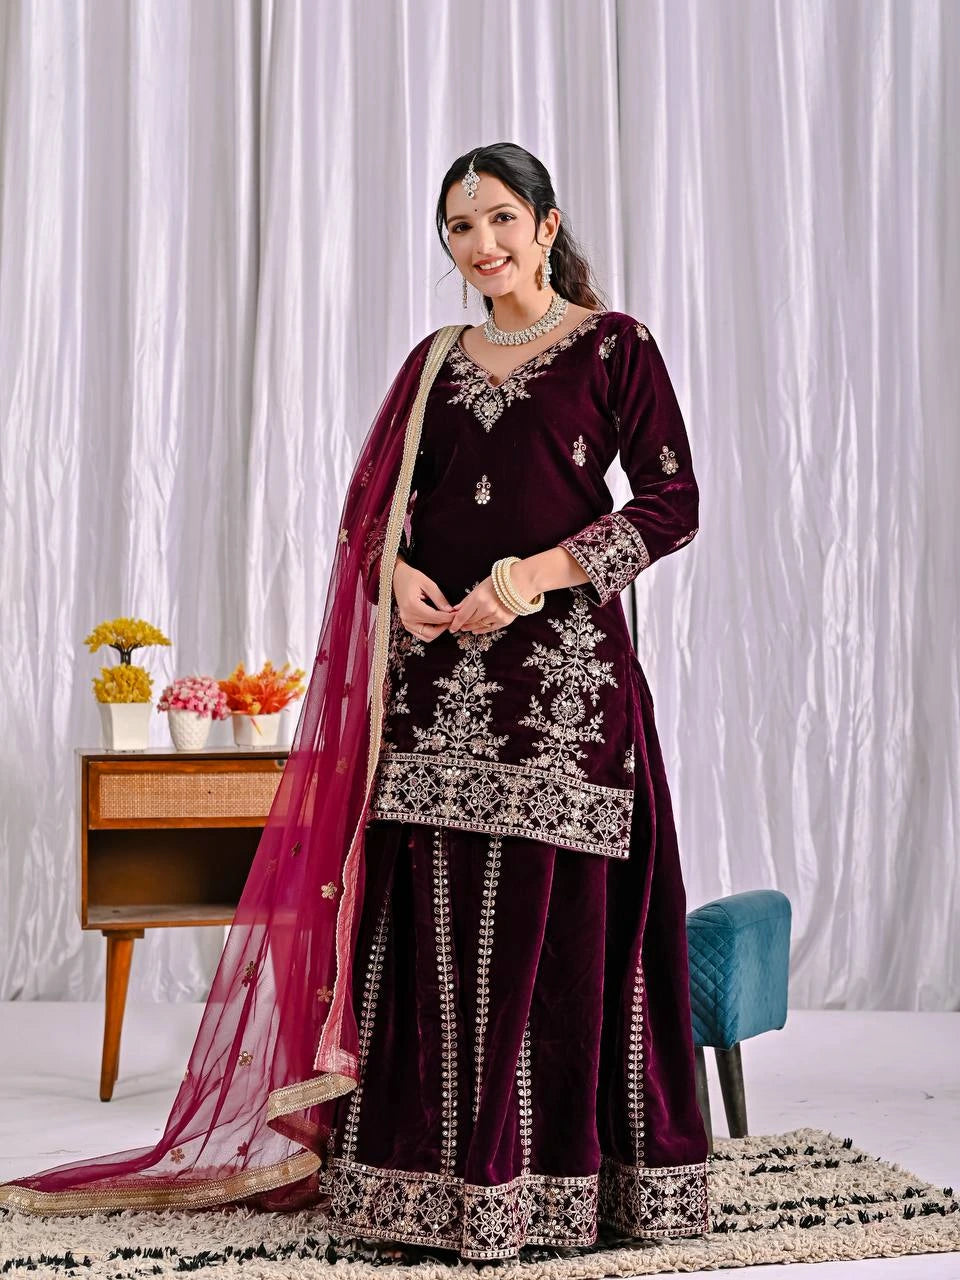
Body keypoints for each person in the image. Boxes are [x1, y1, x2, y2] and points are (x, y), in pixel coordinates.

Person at [0, 143, 708, 1263]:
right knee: (428, 920)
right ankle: (416, 1180)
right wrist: (397, 578)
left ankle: (552, 1184)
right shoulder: (434, 361)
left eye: (500, 221)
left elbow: (673, 503)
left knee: (552, 928)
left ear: (548, 221)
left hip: (563, 693)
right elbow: (371, 518)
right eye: (459, 230)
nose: (481, 246)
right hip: (430, 688)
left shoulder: (616, 347)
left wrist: (532, 578)